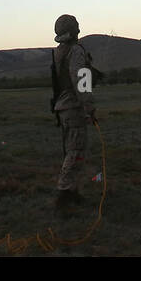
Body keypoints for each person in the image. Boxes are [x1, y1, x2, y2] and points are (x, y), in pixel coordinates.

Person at [49, 14, 96, 214]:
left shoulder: (59, 51)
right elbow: (81, 81)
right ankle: (64, 195)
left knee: (71, 151)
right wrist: (89, 106)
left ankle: (73, 191)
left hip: (63, 107)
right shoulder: (75, 51)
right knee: (76, 151)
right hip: (73, 107)